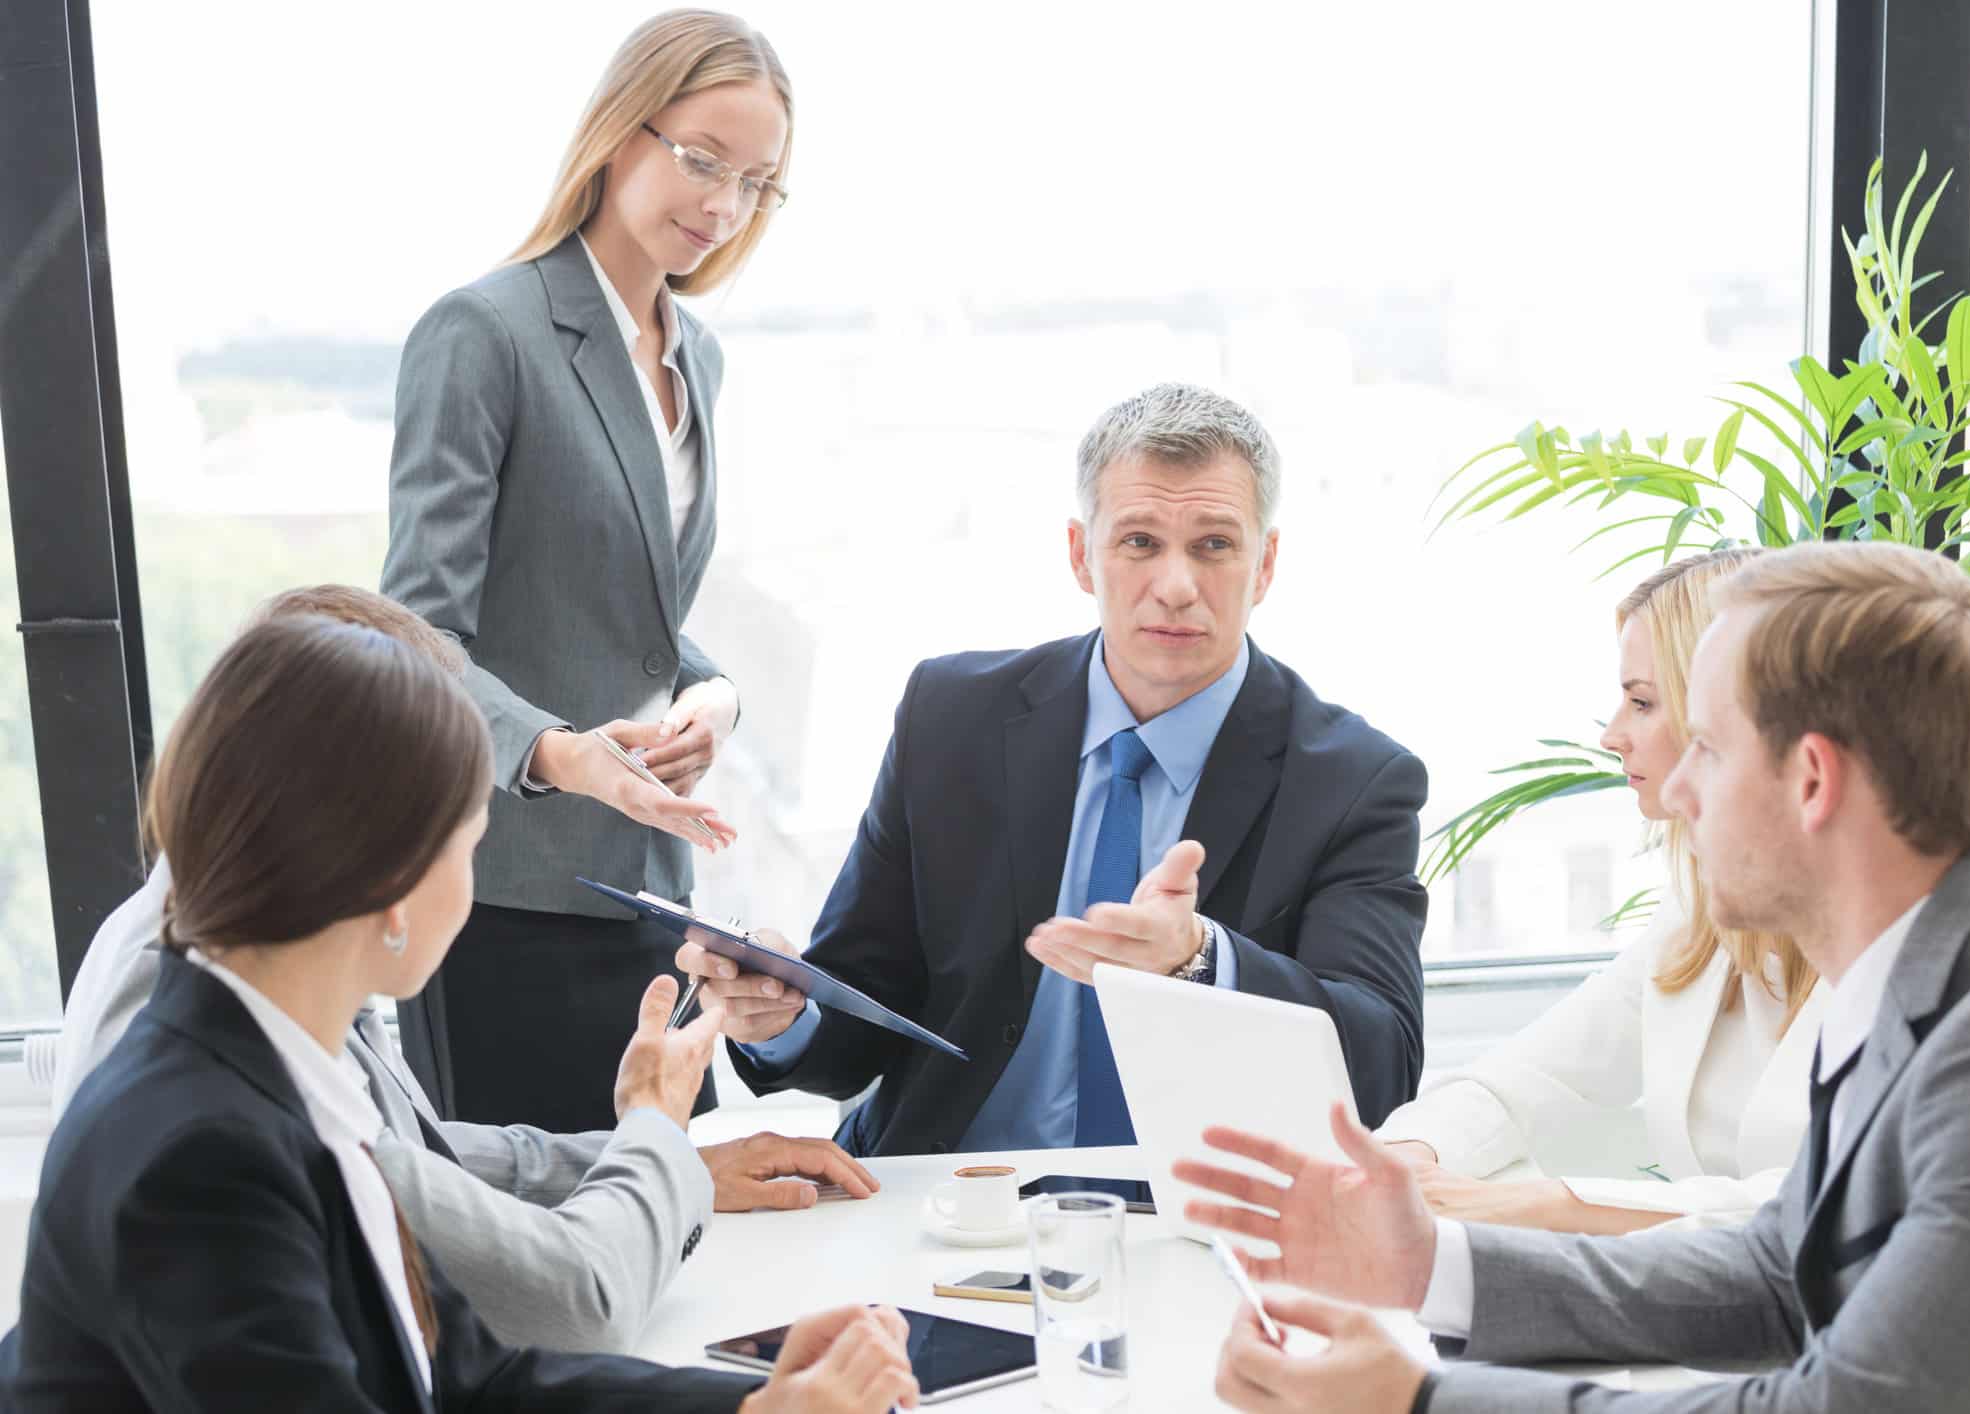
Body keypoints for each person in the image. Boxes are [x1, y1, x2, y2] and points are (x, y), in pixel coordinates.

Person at [1181, 541, 1970, 1412]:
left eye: (1706, 748)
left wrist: (1420, 1402)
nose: (1675, 790)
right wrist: (1432, 1263)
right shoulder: (1920, 969)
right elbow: (1771, 1275)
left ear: (1811, 781)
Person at [2, 617, 917, 1411]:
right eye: (470, 845)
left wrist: (757, 1404)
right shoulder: (201, 1156)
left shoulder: (269, 1074)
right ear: (389, 883)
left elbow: (473, 1383)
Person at [687, 382, 1430, 1157]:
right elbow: (862, 1016)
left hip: (1205, 1215)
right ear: (1082, 555)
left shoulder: (1354, 782)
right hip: (950, 1199)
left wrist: (1198, 960)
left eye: (1213, 545)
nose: (1175, 586)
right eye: (1139, 542)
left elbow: (1380, 1065)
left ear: (1265, 564)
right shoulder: (951, 719)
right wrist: (781, 1015)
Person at [382, 9, 791, 1131]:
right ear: (621, 132)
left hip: (652, 896)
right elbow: (416, 635)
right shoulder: (485, 332)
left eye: (755, 183)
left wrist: (717, 696)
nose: (722, 205)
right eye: (702, 161)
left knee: (676, 1248)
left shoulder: (695, 356)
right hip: (507, 900)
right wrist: (566, 757)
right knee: (544, 1276)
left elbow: (633, 619)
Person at [1380, 549, 1827, 1233]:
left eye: (1643, 702)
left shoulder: (1885, 941)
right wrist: (1398, 1159)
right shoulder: (1696, 918)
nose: (1612, 735)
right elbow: (1529, 1077)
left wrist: (1545, 1207)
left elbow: (1828, 1209)